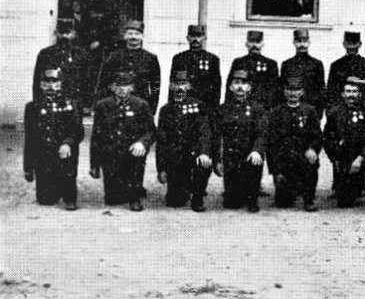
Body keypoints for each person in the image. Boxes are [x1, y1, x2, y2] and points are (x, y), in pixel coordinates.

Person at [90, 70, 155, 211]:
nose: (121, 89)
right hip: (111, 153)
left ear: (132, 87)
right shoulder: (102, 105)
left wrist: (142, 143)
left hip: (132, 152)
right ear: (112, 88)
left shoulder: (141, 105)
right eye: (117, 86)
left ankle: (135, 196)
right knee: (113, 200)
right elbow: (96, 136)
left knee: (133, 178)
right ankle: (121, 191)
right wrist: (94, 165)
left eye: (125, 86)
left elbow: (151, 131)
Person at [23, 67, 84, 210]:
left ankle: (69, 196)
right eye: (46, 82)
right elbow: (30, 139)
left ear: (61, 84)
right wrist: (28, 168)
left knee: (67, 176)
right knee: (45, 200)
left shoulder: (71, 105)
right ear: (40, 85)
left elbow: (77, 130)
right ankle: (52, 190)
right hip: (43, 154)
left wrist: (67, 143)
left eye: (55, 82)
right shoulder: (32, 107)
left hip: (64, 152)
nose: (50, 86)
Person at [155, 69, 212, 211]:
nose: (180, 88)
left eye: (184, 84)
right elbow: (162, 141)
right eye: (176, 84)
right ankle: (183, 187)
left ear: (189, 86)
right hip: (175, 158)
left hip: (194, 154)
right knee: (175, 201)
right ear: (171, 86)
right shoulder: (165, 110)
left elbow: (205, 131)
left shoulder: (198, 106)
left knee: (204, 163)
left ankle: (197, 196)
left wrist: (204, 152)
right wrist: (161, 169)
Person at [323, 80, 365, 211]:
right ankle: (351, 187)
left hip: (364, 155)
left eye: (354, 91)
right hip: (345, 156)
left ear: (360, 94)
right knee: (344, 202)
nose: (351, 95)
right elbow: (328, 138)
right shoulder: (334, 113)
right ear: (343, 94)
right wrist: (337, 159)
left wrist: (361, 157)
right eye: (348, 91)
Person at [266, 75, 323, 211]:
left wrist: (313, 149)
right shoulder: (276, 113)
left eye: (297, 90)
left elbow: (317, 136)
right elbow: (271, 143)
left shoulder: (310, 111)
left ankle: (309, 198)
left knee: (311, 162)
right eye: (289, 90)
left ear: (302, 92)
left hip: (303, 156)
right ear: (284, 92)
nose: (293, 93)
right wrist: (275, 170)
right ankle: (288, 189)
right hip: (284, 159)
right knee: (283, 203)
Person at [214, 69, 267, 212]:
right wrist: (218, 160)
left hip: (249, 157)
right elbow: (217, 136)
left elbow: (262, 134)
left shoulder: (257, 109)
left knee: (255, 160)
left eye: (244, 83)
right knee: (232, 203)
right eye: (236, 82)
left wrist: (256, 151)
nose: (240, 87)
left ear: (249, 87)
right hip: (231, 158)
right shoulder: (222, 110)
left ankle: (252, 196)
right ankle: (234, 192)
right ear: (231, 87)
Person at [96, 19, 161, 113]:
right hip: (116, 104)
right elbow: (103, 81)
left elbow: (155, 87)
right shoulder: (114, 56)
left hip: (141, 105)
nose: (133, 37)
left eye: (137, 34)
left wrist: (152, 109)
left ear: (142, 36)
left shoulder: (151, 58)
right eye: (130, 33)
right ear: (125, 36)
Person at [32, 18, 89, 109]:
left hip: (74, 103)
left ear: (74, 34)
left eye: (68, 33)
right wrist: (37, 100)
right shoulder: (46, 54)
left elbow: (86, 80)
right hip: (51, 102)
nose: (64, 36)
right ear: (56, 33)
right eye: (61, 33)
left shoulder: (80, 54)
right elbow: (37, 79)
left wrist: (86, 104)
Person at [170, 24, 221, 109]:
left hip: (204, 105)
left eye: (199, 36)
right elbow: (173, 85)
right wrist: (172, 106)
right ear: (188, 38)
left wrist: (214, 109)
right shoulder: (179, 58)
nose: (195, 39)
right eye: (192, 36)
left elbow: (216, 87)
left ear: (204, 38)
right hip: (184, 104)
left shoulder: (212, 59)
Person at [226, 30, 279, 109]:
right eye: (251, 42)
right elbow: (230, 86)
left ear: (262, 44)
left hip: (263, 106)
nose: (254, 45)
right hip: (242, 106)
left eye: (257, 42)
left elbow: (274, 90)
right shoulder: (238, 62)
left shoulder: (270, 64)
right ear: (246, 44)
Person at [326, 30, 365, 111]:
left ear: (360, 44)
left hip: (362, 109)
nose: (352, 47)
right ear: (344, 44)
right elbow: (330, 90)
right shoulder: (336, 65)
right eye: (349, 44)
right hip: (341, 110)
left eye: (354, 44)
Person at [280, 28, 325, 112]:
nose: (302, 44)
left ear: (309, 43)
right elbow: (282, 89)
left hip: (311, 109)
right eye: (299, 41)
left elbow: (321, 90)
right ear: (294, 43)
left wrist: (319, 111)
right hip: (291, 107)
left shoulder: (316, 64)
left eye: (305, 41)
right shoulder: (287, 64)